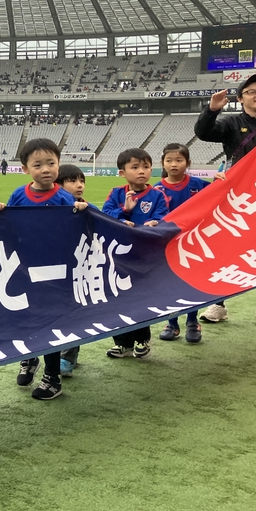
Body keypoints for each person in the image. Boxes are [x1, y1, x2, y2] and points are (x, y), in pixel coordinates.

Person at [0, 138, 86, 400]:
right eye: (38, 164)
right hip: (25, 269)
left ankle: (52, 377)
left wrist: (82, 211)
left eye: (51, 163)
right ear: (25, 169)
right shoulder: (19, 195)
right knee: (26, 317)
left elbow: (79, 228)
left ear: (58, 164)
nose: (45, 169)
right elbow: (9, 225)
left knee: (50, 322)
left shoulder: (65, 197)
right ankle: (30, 357)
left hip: (55, 272)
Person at [194, 74, 256, 326]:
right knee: (226, 247)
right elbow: (203, 133)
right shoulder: (231, 123)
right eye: (251, 91)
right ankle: (218, 304)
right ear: (240, 99)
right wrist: (212, 110)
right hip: (237, 197)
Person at [101, 148, 169, 360]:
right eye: (135, 167)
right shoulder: (116, 193)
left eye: (146, 167)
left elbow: (164, 216)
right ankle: (123, 343)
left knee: (140, 298)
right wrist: (125, 213)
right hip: (119, 257)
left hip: (144, 256)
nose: (141, 171)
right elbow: (106, 215)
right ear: (122, 172)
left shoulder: (157, 195)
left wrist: (154, 223)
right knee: (119, 299)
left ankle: (142, 340)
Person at [154, 143, 210, 344]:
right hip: (168, 245)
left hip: (194, 243)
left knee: (191, 283)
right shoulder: (157, 189)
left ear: (188, 162)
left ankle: (193, 321)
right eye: (169, 160)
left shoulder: (198, 184)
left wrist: (223, 179)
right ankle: (172, 322)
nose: (174, 164)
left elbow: (221, 191)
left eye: (179, 160)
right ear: (163, 163)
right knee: (171, 284)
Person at [53, 164, 90, 376]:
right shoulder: (52, 207)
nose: (79, 185)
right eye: (73, 181)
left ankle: (68, 356)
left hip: (77, 271)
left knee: (72, 313)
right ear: (58, 185)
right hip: (53, 269)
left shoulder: (87, 207)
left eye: (82, 181)